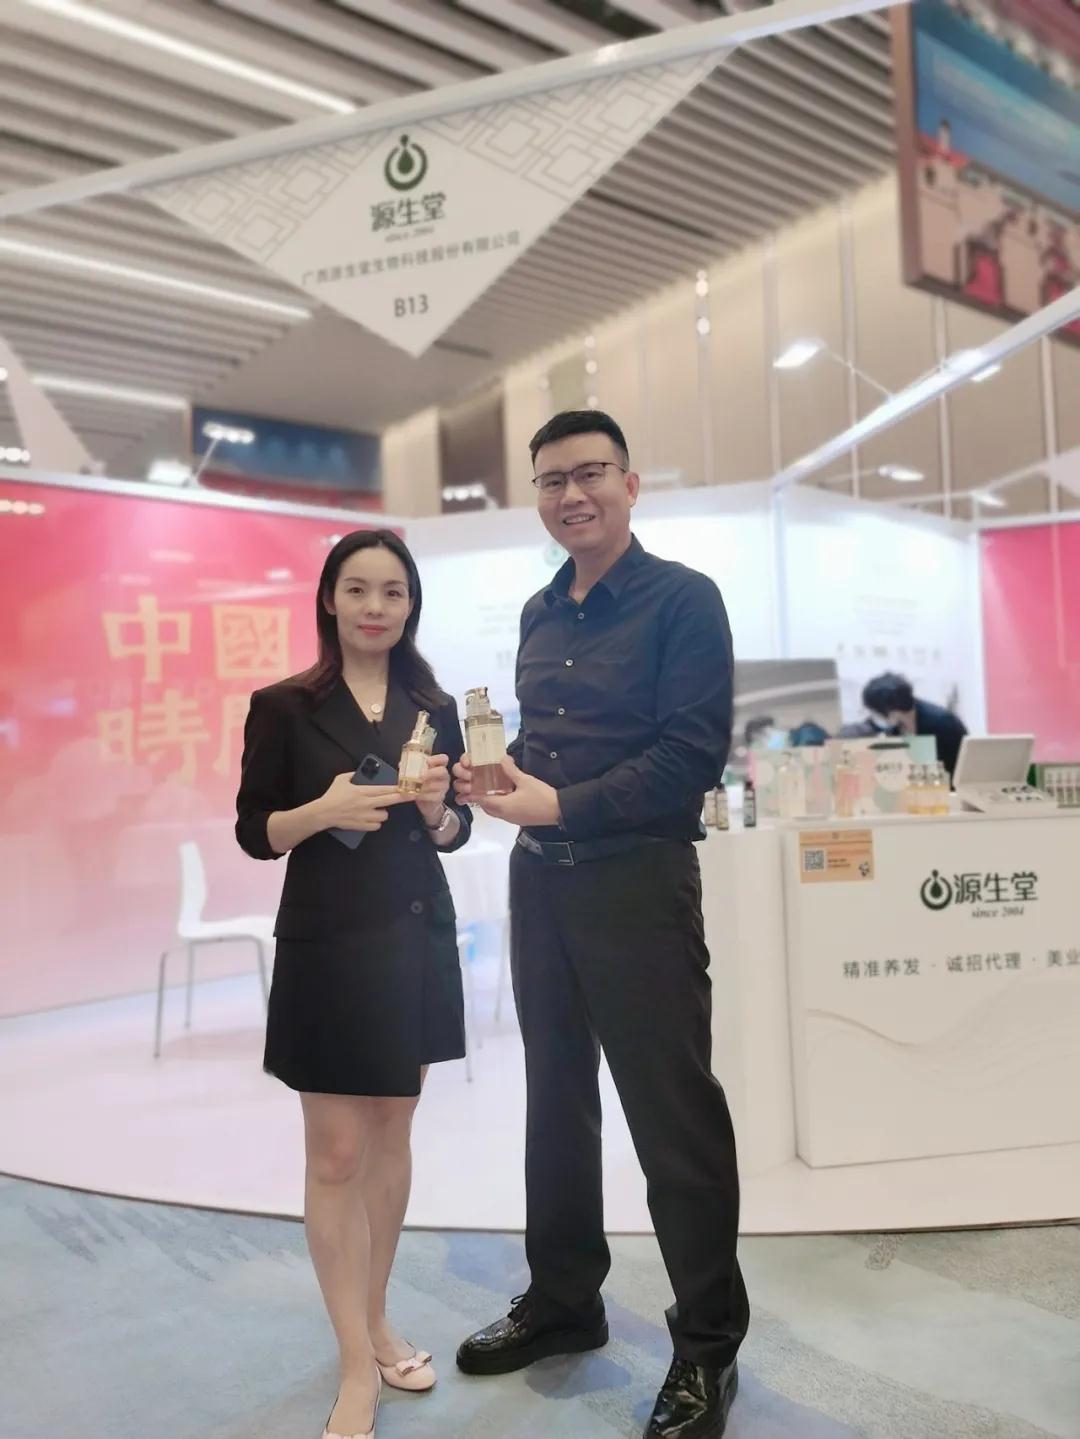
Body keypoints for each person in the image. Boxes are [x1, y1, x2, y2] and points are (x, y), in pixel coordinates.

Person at [453, 411, 748, 1439]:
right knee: (556, 1104)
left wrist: (561, 805)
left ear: (630, 483)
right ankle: (564, 1298)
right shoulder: (541, 612)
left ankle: (707, 1346)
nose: (571, 494)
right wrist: (499, 779)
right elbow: (546, 745)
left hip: (638, 887)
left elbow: (689, 757)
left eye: (589, 474)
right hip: (542, 886)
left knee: (674, 1120)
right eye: (551, 480)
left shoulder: (684, 600)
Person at [235, 529, 472, 1439]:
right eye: (359, 589)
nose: (376, 607)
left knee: (391, 1137)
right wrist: (321, 810)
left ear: (412, 605)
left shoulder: (433, 706)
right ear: (329, 598)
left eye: (394, 592)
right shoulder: (285, 706)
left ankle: (376, 1320)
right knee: (335, 1153)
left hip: (413, 937)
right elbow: (255, 831)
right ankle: (351, 1364)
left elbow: (454, 830)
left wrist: (439, 811)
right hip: (329, 945)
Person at [861, 671, 968, 779]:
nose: (873, 718)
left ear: (892, 713)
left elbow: (961, 769)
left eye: (874, 713)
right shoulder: (888, 727)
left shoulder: (943, 723)